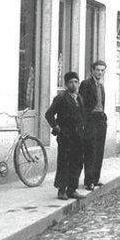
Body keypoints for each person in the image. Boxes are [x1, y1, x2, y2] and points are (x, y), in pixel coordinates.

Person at [45, 72, 86, 200]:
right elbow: (49, 114)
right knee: (64, 162)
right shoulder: (61, 98)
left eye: (75, 82)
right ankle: (61, 190)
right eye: (70, 82)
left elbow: (82, 115)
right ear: (66, 84)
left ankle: (72, 189)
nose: (73, 84)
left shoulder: (79, 97)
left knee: (77, 162)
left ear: (78, 83)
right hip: (65, 136)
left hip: (78, 136)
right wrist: (57, 127)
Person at [79, 60, 108, 191]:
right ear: (92, 71)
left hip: (101, 119)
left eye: (102, 70)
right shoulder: (86, 84)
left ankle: (96, 179)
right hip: (90, 120)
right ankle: (88, 181)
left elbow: (101, 103)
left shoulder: (101, 86)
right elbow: (82, 104)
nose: (100, 72)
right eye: (98, 70)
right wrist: (84, 122)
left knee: (99, 150)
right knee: (90, 150)